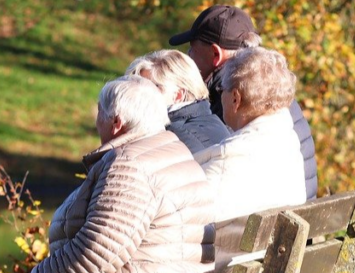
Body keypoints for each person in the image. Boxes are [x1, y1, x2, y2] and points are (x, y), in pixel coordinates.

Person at [33, 76, 215, 273]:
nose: (96, 121)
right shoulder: (170, 151)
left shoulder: (129, 166)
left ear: (116, 122)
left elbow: (97, 252)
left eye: (100, 112)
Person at [169, 5, 318, 201]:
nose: (189, 56)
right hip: (298, 212)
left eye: (192, 50)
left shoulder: (231, 95)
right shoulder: (273, 87)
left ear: (216, 54)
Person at [193, 47, 307, 271]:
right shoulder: (288, 140)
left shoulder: (229, 157)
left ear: (235, 98)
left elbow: (185, 225)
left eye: (221, 89)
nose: (220, 95)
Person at [125, 50, 230, 153]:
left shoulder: (169, 137)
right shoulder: (217, 124)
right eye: (135, 88)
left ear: (178, 95)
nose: (137, 95)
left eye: (149, 89)